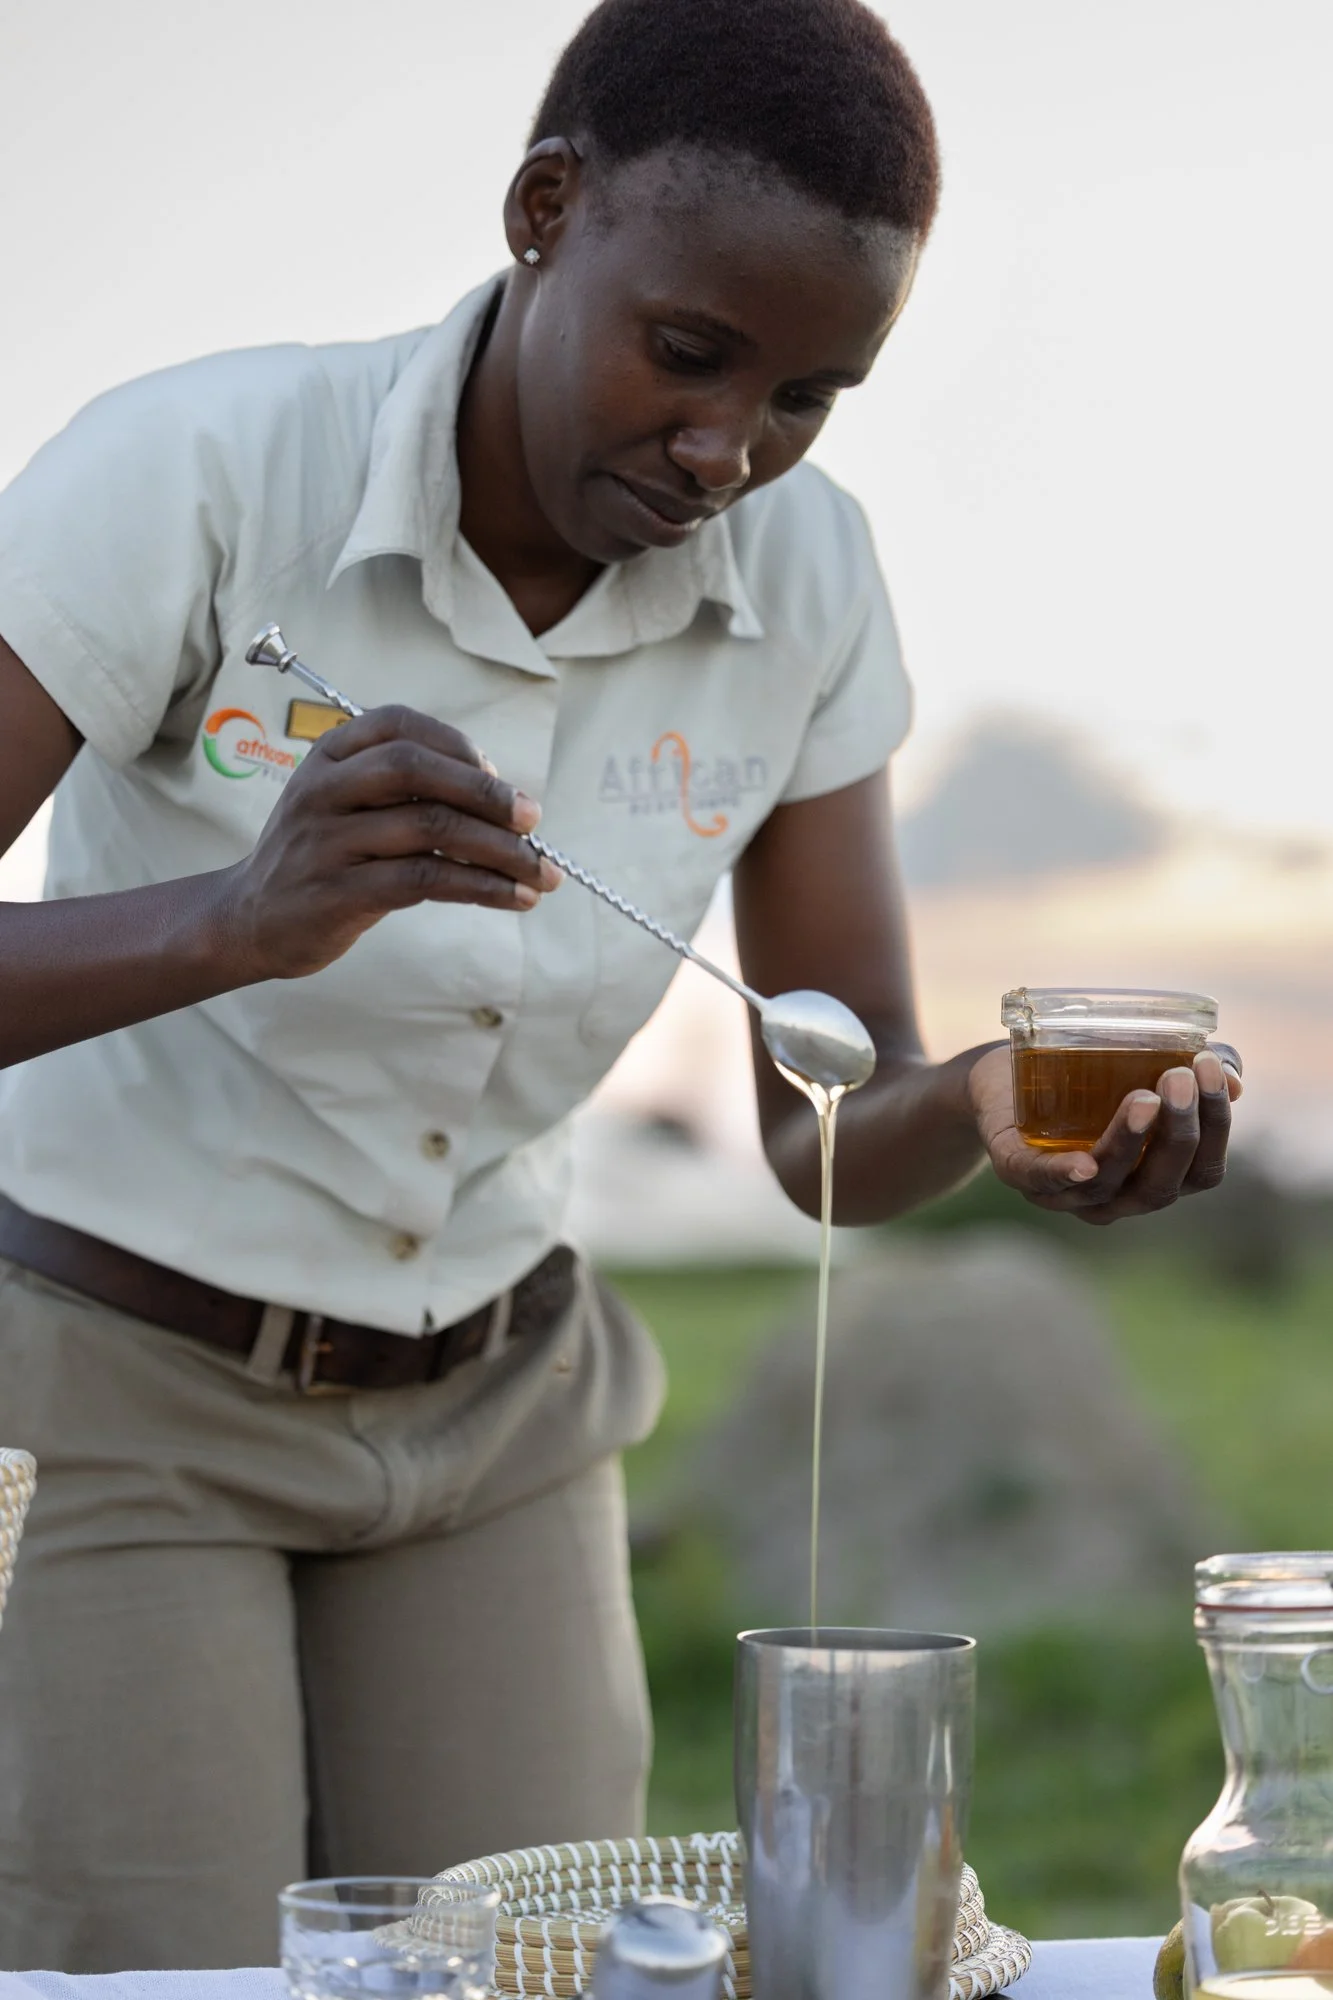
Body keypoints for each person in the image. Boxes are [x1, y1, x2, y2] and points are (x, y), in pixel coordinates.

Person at [0, 0, 1241, 1972]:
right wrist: (235, 916)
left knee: (551, 1962)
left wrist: (994, 1106)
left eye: (808, 398)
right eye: (688, 354)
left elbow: (824, 1124)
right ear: (545, 209)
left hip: (501, 1413)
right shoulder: (199, 475)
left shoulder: (809, 583)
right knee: (184, 1974)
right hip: (118, 1395)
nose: (724, 450)